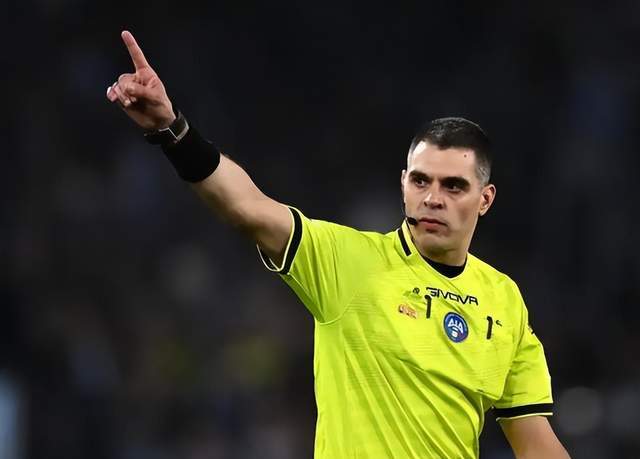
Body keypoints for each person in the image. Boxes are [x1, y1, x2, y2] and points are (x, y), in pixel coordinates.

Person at [106, 30, 571, 459]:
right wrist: (173, 130)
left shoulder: (503, 299)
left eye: (453, 186)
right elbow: (248, 206)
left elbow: (536, 444)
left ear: (484, 199)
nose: (433, 198)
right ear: (403, 185)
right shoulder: (348, 260)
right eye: (421, 181)